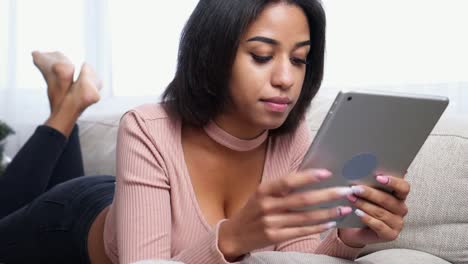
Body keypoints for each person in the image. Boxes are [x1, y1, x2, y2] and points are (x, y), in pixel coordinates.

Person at [0, 0, 411, 263]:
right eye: (262, 55)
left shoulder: (293, 136)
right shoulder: (147, 126)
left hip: (123, 196)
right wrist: (232, 238)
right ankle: (67, 107)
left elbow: (295, 255)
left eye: (300, 59)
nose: (286, 78)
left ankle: (63, 97)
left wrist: (348, 238)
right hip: (68, 224)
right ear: (212, 55)